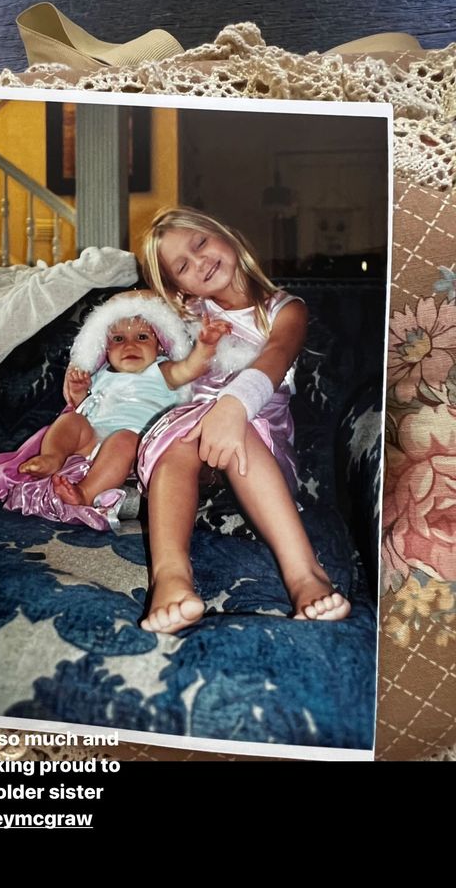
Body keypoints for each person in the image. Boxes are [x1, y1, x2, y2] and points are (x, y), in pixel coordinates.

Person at [137, 207, 352, 632]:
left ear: (225, 234)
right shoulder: (191, 317)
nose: (199, 261)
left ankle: (305, 575)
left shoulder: (285, 310)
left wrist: (234, 408)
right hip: (190, 438)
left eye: (200, 243)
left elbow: (275, 358)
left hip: (260, 437)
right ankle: (171, 579)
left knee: (241, 432)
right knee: (183, 440)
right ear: (177, 287)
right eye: (182, 265)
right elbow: (138, 338)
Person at [0, 294, 230, 531]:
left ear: (161, 345)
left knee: (124, 438)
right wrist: (79, 391)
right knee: (71, 420)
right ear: (105, 348)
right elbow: (82, 405)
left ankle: (85, 492)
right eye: (118, 339)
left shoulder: (164, 371)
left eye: (142, 337)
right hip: (91, 440)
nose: (130, 345)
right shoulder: (100, 375)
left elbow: (191, 369)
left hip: (136, 450)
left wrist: (205, 347)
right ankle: (52, 457)